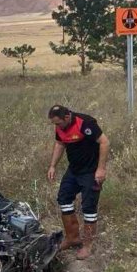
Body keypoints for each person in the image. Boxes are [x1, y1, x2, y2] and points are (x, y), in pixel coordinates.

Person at [46, 105, 110, 260]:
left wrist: (101, 169)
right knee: (64, 198)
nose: (57, 126)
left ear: (67, 117)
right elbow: (60, 143)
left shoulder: (85, 122)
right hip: (74, 170)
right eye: (54, 124)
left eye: (58, 123)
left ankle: (88, 245)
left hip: (91, 171)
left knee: (88, 207)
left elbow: (105, 142)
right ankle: (72, 237)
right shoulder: (61, 126)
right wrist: (53, 165)